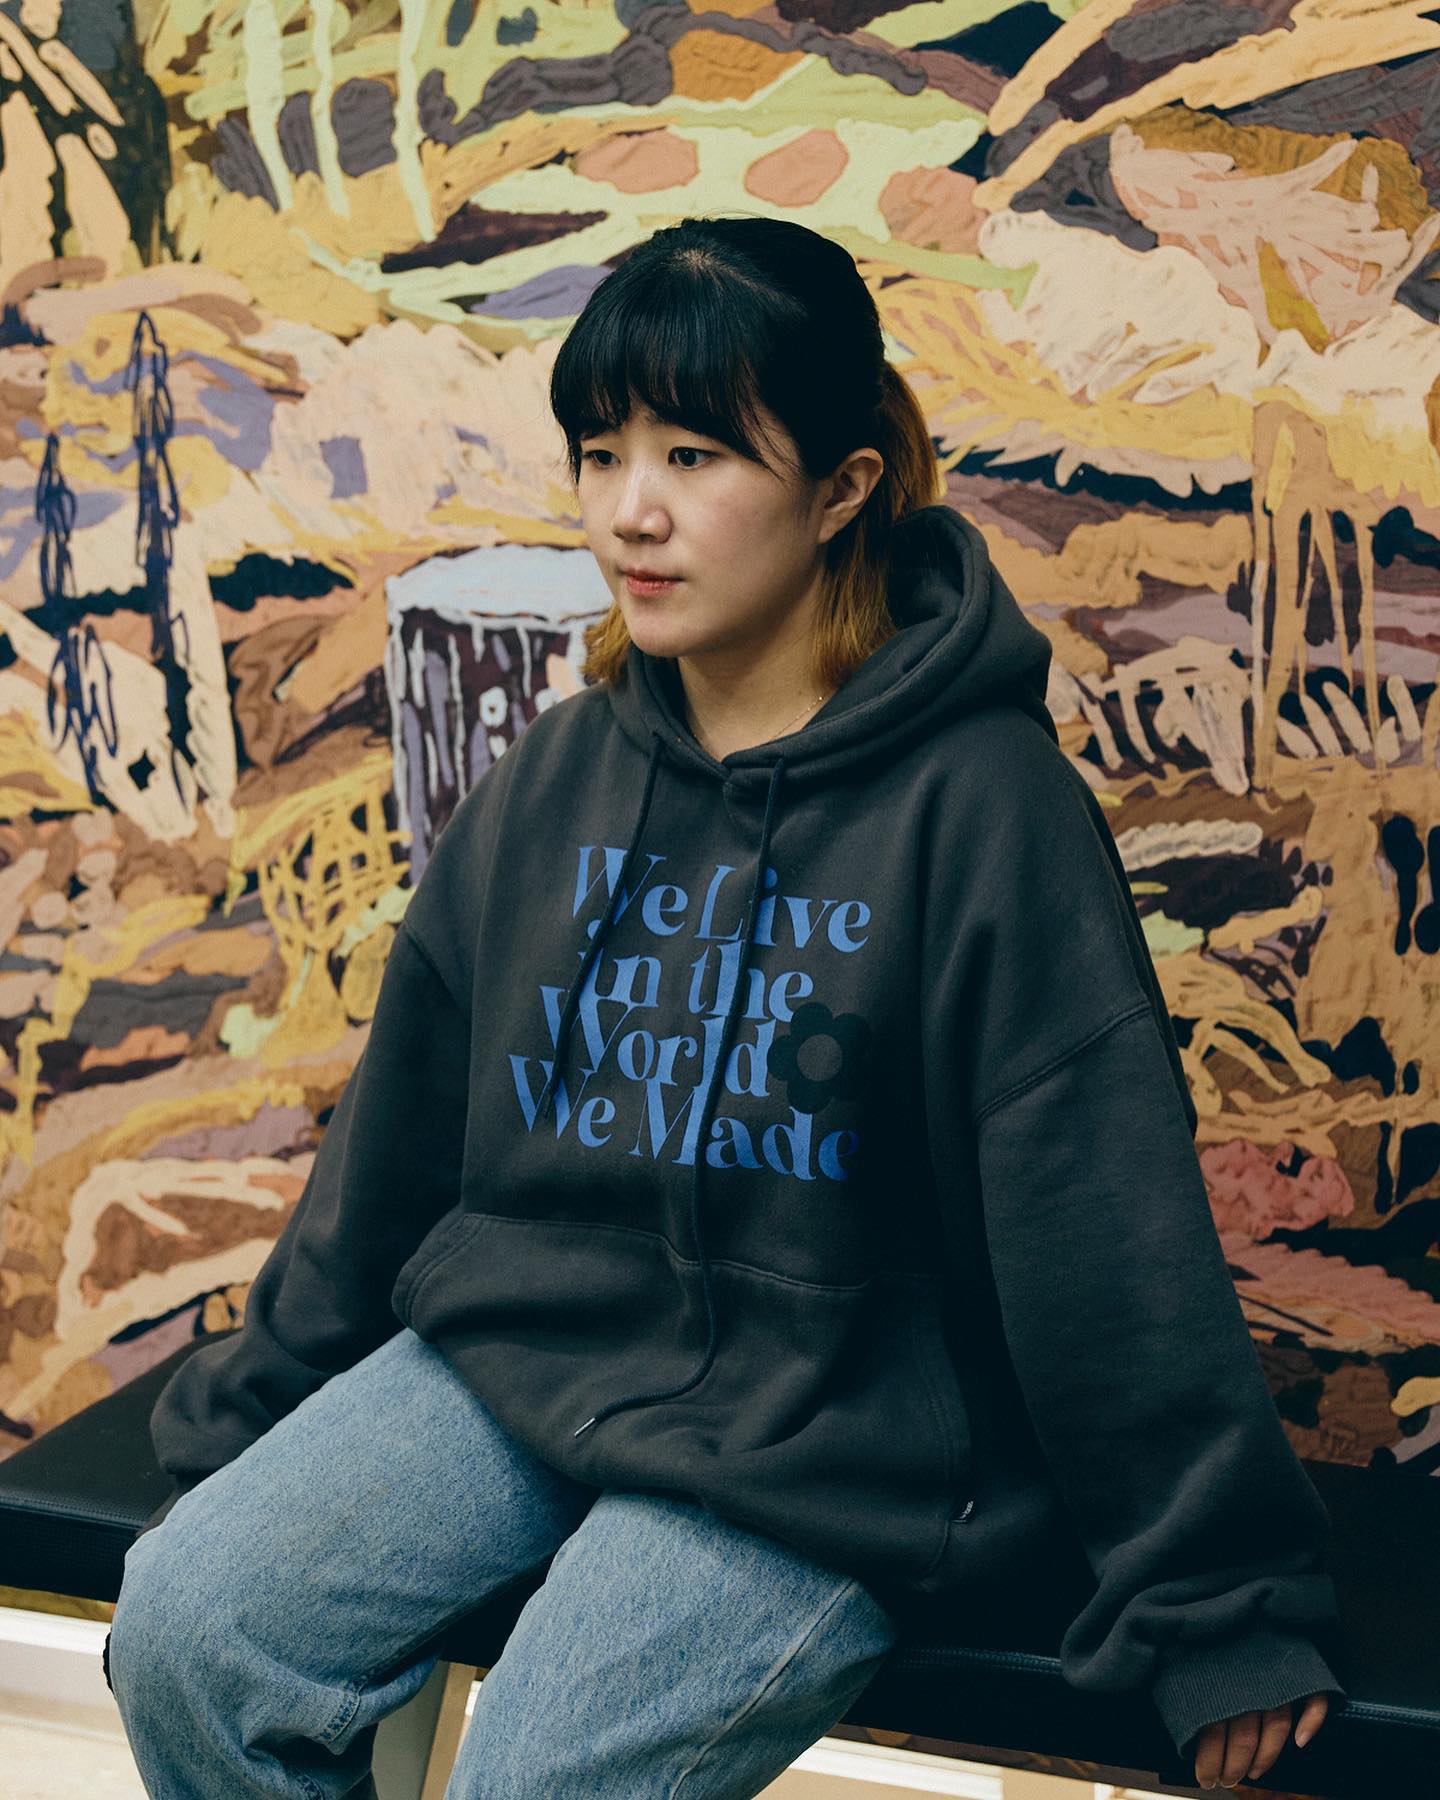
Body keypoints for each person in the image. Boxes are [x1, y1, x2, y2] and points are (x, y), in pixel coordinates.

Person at [104, 214, 1346, 1797]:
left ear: (841, 489)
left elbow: (1098, 1215)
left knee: (535, 1777)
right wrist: (258, 1437)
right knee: (191, 1628)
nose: (633, 510)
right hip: (527, 1354)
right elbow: (397, 1140)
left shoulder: (984, 806)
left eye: (696, 456)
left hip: (834, 1432)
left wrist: (1214, 1602)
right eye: (602, 452)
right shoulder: (561, 770)